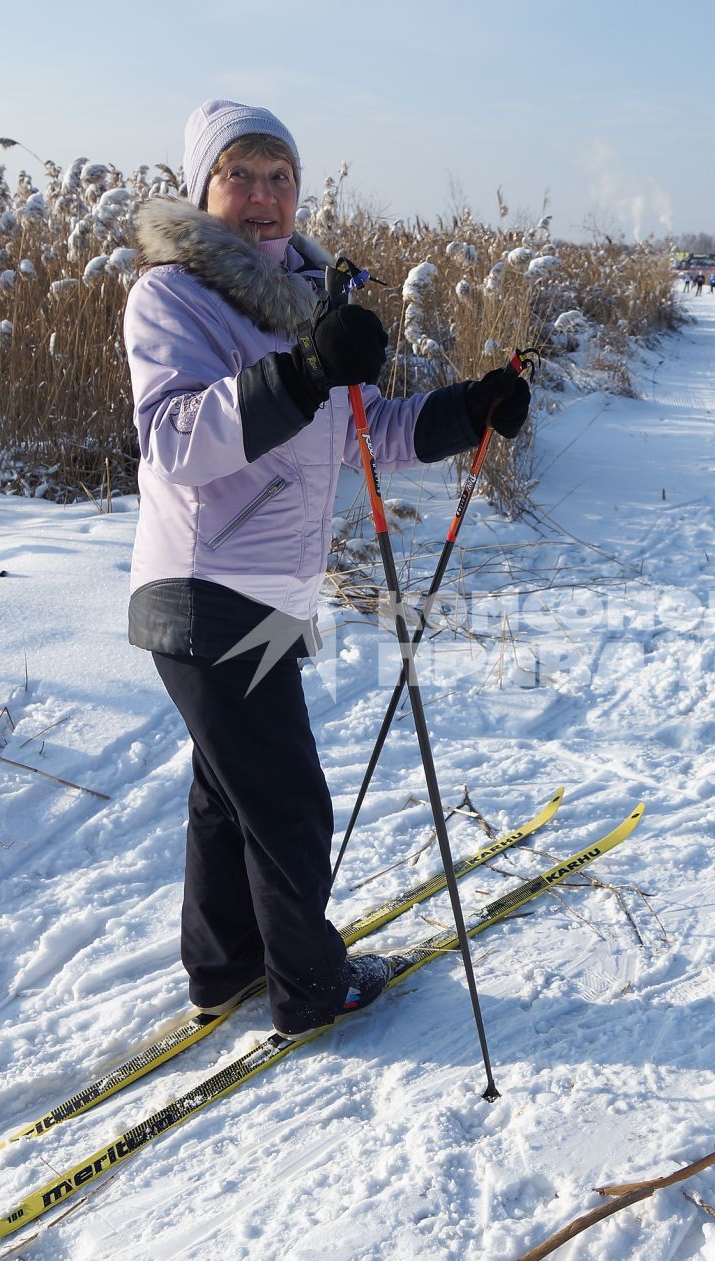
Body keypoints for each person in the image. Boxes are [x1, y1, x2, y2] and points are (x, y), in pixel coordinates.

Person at [122, 99, 531, 1040]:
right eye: (241, 175)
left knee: (231, 795)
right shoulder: (171, 296)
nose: (264, 198)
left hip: (269, 597)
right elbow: (175, 439)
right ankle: (309, 987)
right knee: (286, 798)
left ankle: (225, 971)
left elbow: (366, 430)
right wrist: (303, 372)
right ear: (203, 186)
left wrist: (471, 407)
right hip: (202, 588)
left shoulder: (310, 305)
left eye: (281, 178)